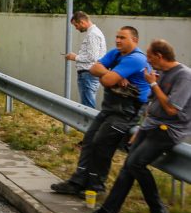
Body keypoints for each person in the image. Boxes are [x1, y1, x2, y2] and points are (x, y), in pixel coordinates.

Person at [79, 39, 191, 213]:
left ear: (159, 56)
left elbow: (173, 109)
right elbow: (152, 105)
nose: (147, 61)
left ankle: (159, 211)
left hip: (169, 130)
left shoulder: (184, 76)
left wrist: (154, 84)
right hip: (150, 127)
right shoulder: (161, 73)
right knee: (127, 167)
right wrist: (140, 129)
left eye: (149, 57)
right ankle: (108, 212)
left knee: (135, 164)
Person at [51, 26, 150, 196]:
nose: (118, 40)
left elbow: (108, 81)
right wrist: (113, 75)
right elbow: (93, 69)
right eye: (117, 36)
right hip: (110, 108)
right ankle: (77, 181)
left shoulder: (136, 59)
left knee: (101, 145)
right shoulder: (116, 53)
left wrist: (111, 76)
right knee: (89, 141)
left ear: (135, 40)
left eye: (123, 38)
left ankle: (96, 187)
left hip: (126, 113)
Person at [65, 11, 106, 108]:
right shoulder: (94, 33)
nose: (76, 28)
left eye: (76, 25)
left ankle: (88, 123)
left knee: (87, 107)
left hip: (88, 74)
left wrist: (75, 57)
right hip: (90, 74)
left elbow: (92, 57)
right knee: (87, 104)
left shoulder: (93, 34)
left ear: (82, 22)